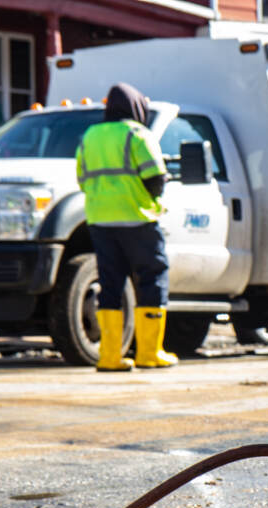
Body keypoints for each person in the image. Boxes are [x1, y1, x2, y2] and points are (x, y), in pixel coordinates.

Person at [76, 82, 177, 371]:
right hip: (138, 218)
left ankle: (110, 357)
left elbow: (82, 179)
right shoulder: (137, 134)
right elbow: (156, 178)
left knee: (110, 284)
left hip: (100, 220)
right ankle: (149, 353)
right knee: (152, 277)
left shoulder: (89, 136)